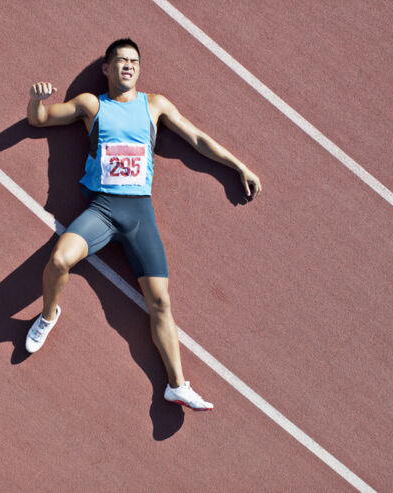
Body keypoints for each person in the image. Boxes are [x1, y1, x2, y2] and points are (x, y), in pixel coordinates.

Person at [25, 38, 261, 411]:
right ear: (106, 69)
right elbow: (38, 120)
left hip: (139, 216)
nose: (128, 67)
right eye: (120, 61)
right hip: (101, 210)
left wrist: (238, 167)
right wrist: (36, 99)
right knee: (57, 261)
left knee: (161, 303)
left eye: (134, 61)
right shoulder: (91, 104)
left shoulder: (155, 105)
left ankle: (176, 385)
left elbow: (197, 138)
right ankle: (48, 314)